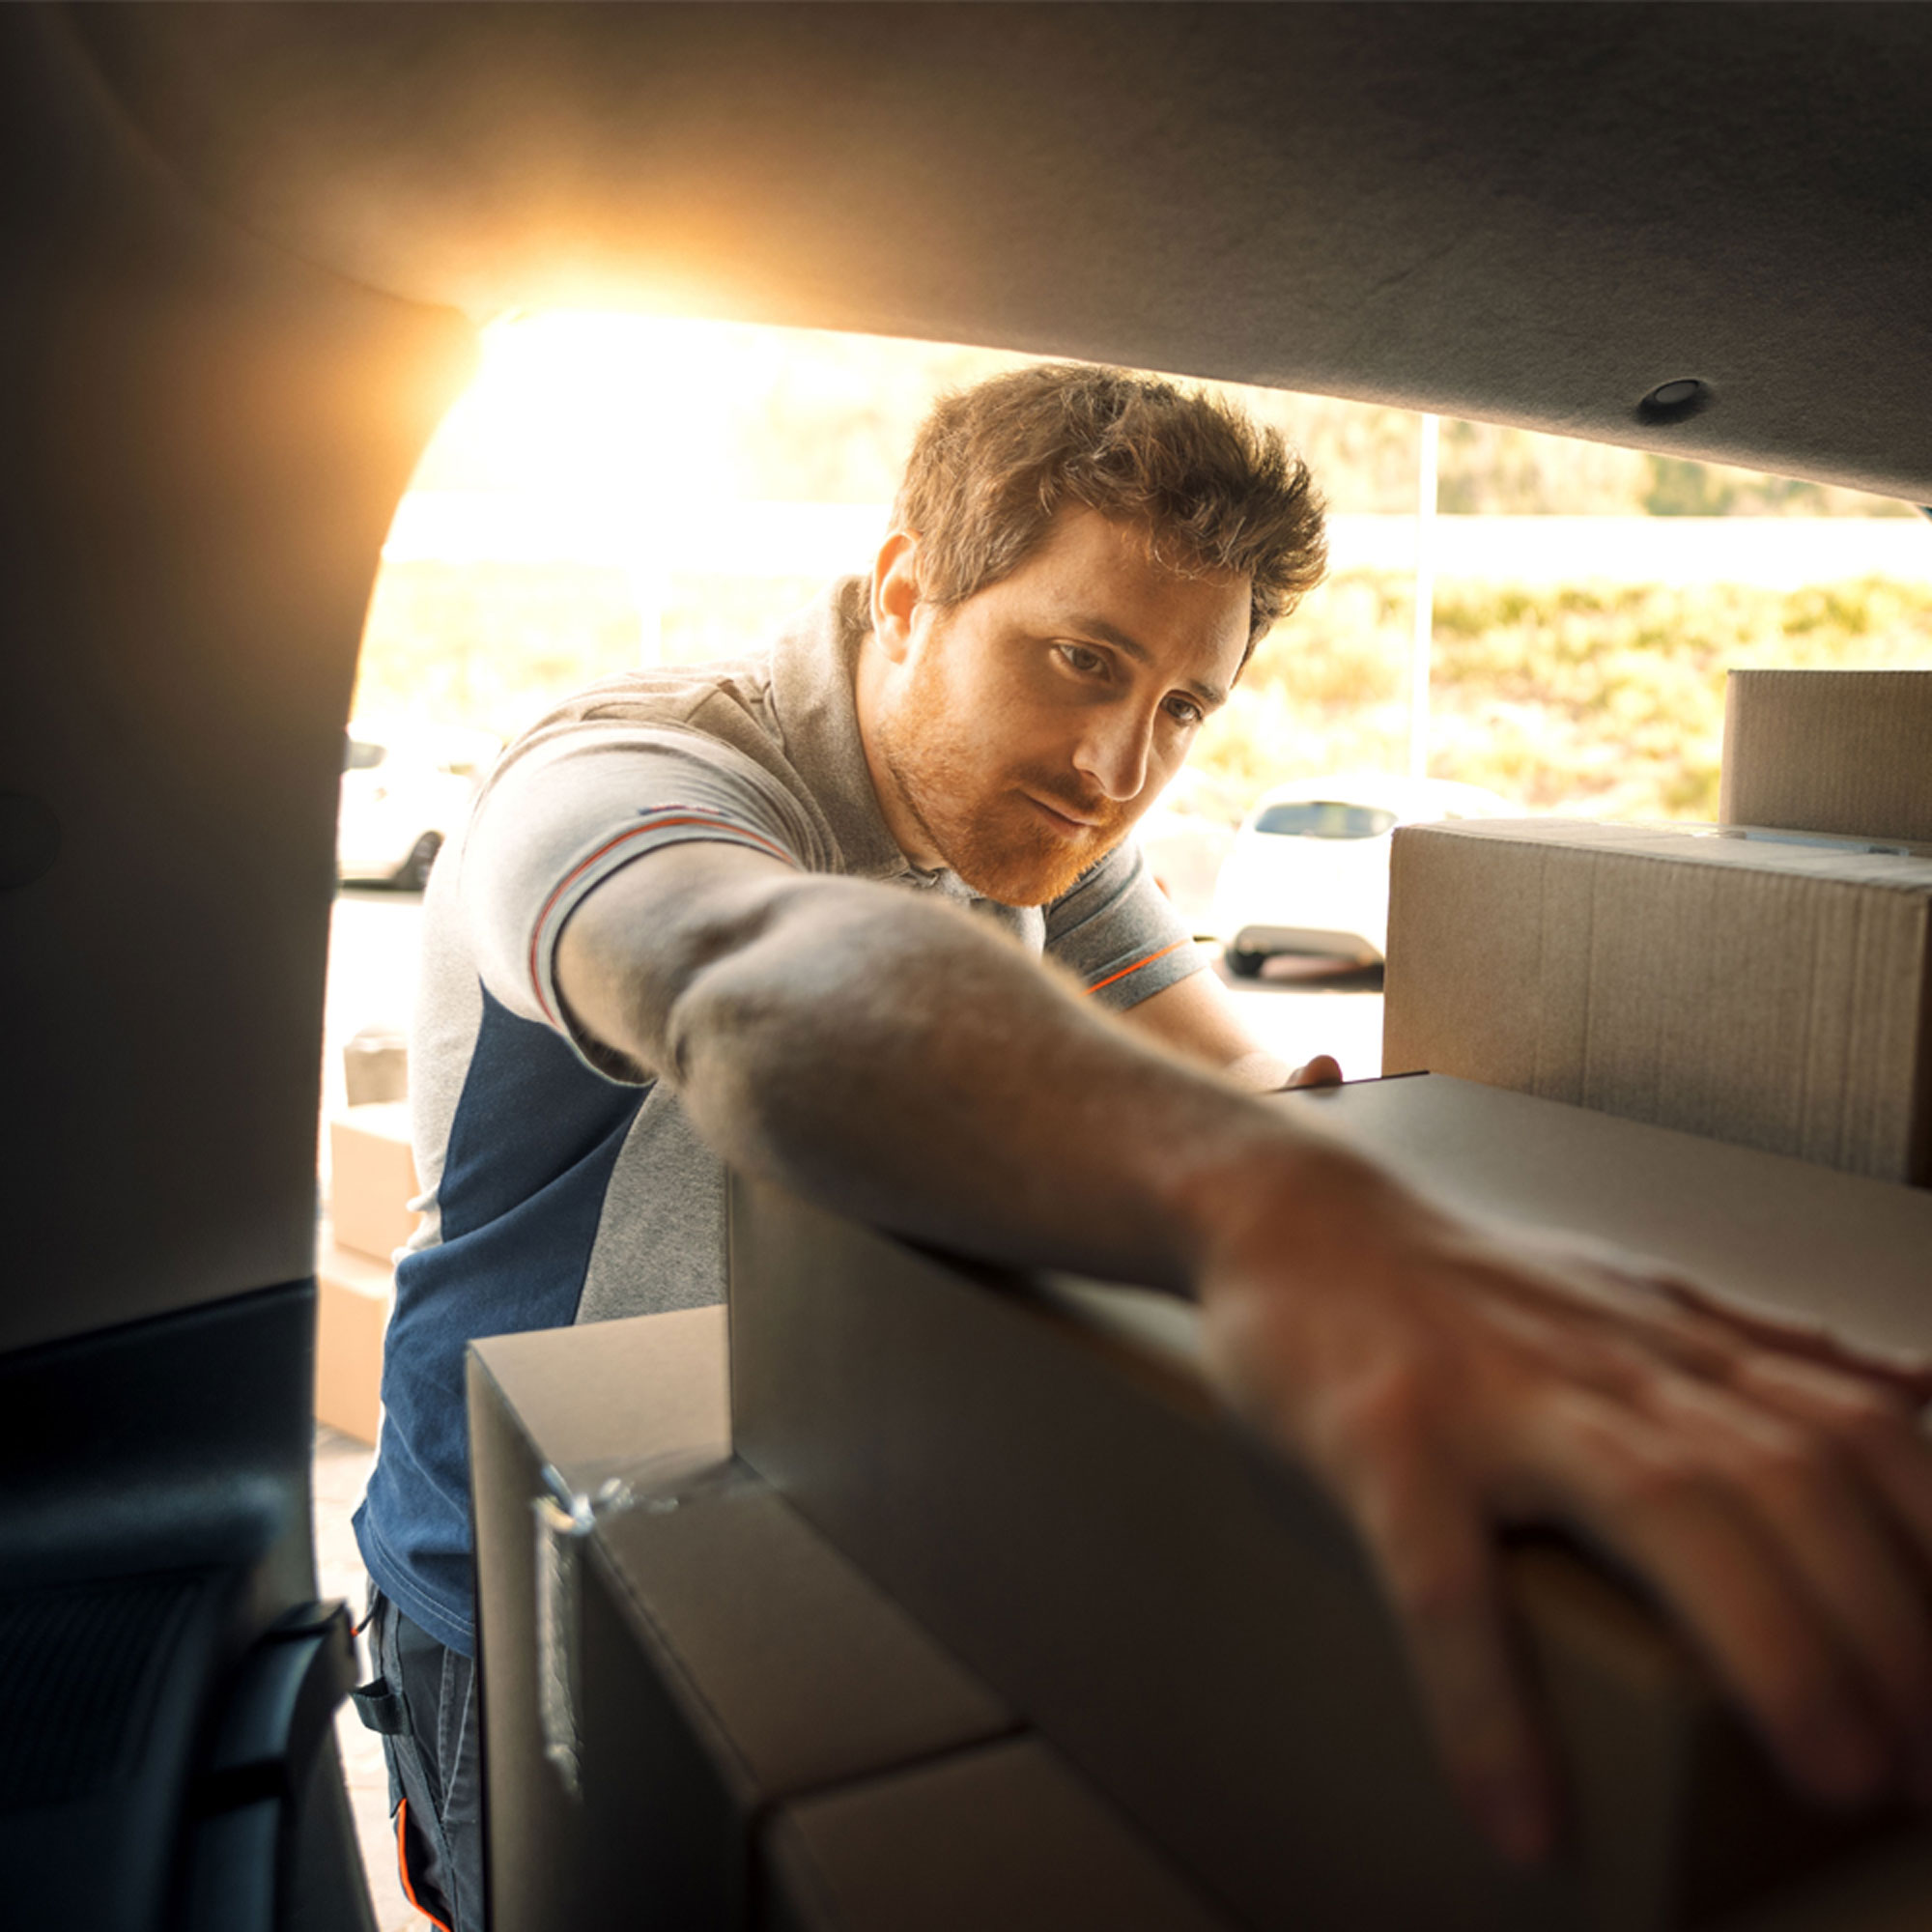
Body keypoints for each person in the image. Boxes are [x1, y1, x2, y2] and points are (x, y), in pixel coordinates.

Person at [353, 363, 1932, 1930]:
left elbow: (1244, 1077)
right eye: (1080, 657)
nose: (1118, 766)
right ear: (906, 591)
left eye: (1181, 706)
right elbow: (746, 976)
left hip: (833, 1481)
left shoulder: (1043, 827)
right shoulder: (624, 775)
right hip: (520, 1558)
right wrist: (1275, 1214)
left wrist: (1471, 1241)